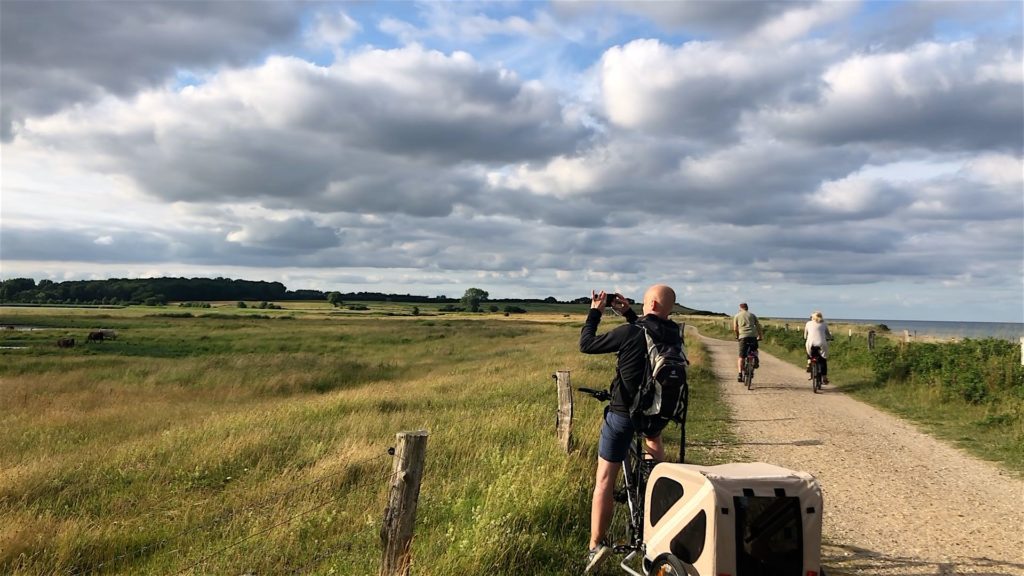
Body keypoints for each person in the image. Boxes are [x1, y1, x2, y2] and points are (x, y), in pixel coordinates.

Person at [579, 284, 681, 573]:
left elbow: (587, 344)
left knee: (604, 481)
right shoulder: (674, 333)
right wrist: (629, 314)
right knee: (653, 440)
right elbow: (648, 330)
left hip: (623, 415)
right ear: (668, 308)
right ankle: (656, 487)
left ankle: (595, 545)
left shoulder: (631, 332)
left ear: (649, 302)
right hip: (656, 415)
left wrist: (594, 313)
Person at [732, 302, 763, 382]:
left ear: (740, 308)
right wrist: (760, 335)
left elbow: (735, 328)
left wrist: (737, 335)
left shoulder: (737, 315)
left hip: (743, 337)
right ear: (747, 308)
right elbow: (758, 326)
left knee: (741, 357)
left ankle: (740, 374)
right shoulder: (752, 315)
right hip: (753, 336)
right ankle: (755, 357)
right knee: (754, 350)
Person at [804, 311, 832, 384]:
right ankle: (824, 377)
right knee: (823, 360)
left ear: (812, 317)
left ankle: (809, 362)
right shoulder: (824, 324)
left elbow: (805, 335)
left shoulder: (808, 323)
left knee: (808, 349)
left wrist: (806, 337)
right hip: (821, 344)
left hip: (811, 343)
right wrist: (830, 337)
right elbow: (828, 334)